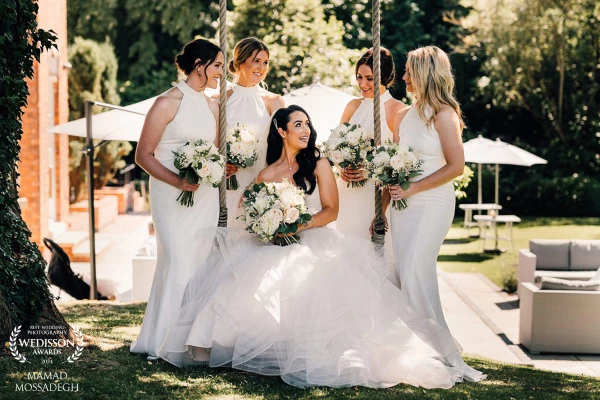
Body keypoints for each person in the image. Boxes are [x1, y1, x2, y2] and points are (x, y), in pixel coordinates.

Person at [157, 106, 485, 388]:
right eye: (297, 124)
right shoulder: (267, 173)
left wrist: (299, 223)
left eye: (308, 124)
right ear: (281, 130)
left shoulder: (319, 164)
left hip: (313, 240)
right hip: (274, 243)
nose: (305, 130)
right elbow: (253, 212)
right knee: (243, 278)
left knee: (302, 277)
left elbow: (332, 211)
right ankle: (246, 348)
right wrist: (268, 224)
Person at [130, 38, 224, 359]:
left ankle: (194, 344)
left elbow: (215, 153)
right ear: (200, 66)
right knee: (179, 260)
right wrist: (177, 180)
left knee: (199, 263)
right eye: (218, 66)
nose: (221, 73)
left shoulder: (214, 106)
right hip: (171, 197)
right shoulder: (166, 103)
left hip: (205, 197)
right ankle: (165, 342)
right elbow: (144, 155)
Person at [386, 46, 474, 375]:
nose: (404, 76)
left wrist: (414, 188)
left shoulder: (445, 114)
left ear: (425, 73)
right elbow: (395, 165)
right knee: (401, 272)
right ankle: (413, 349)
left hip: (432, 203)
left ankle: (444, 354)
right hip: (402, 205)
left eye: (409, 71)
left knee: (415, 271)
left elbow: (456, 166)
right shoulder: (404, 115)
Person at [337, 48, 405, 242]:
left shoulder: (397, 110)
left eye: (369, 78)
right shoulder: (352, 106)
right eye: (359, 77)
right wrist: (341, 167)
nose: (362, 84)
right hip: (347, 192)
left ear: (384, 77)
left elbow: (397, 166)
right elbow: (335, 149)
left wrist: (381, 208)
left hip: (374, 195)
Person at [222, 37, 284, 226]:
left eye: (265, 62)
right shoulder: (221, 99)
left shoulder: (274, 101)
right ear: (240, 61)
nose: (261, 67)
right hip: (228, 183)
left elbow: (284, 147)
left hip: (261, 182)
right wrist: (221, 162)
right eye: (256, 61)